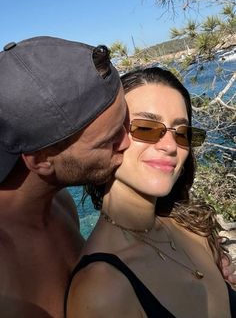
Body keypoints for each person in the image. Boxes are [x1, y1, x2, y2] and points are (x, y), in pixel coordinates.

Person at [66, 67, 235, 318]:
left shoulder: (191, 227)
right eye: (145, 127)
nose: (170, 146)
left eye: (181, 132)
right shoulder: (103, 291)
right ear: (108, 137)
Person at [0, 36, 129, 318]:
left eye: (126, 122)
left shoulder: (58, 202)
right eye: (109, 140)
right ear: (41, 160)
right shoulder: (6, 280)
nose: (128, 142)